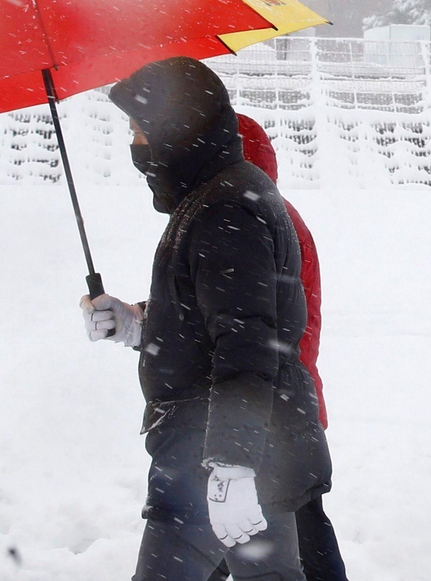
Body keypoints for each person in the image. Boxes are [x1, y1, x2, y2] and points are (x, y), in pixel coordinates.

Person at [82, 57, 330, 581]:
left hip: (214, 455)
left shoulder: (225, 211)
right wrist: (132, 324)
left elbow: (248, 341)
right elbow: (203, 323)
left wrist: (232, 463)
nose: (135, 146)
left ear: (175, 128)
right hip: (235, 447)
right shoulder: (214, 200)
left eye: (140, 130)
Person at [231, 114, 347, 581]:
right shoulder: (268, 213)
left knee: (289, 535)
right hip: (281, 405)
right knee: (295, 531)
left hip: (266, 408)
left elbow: (244, 324)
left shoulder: (252, 221)